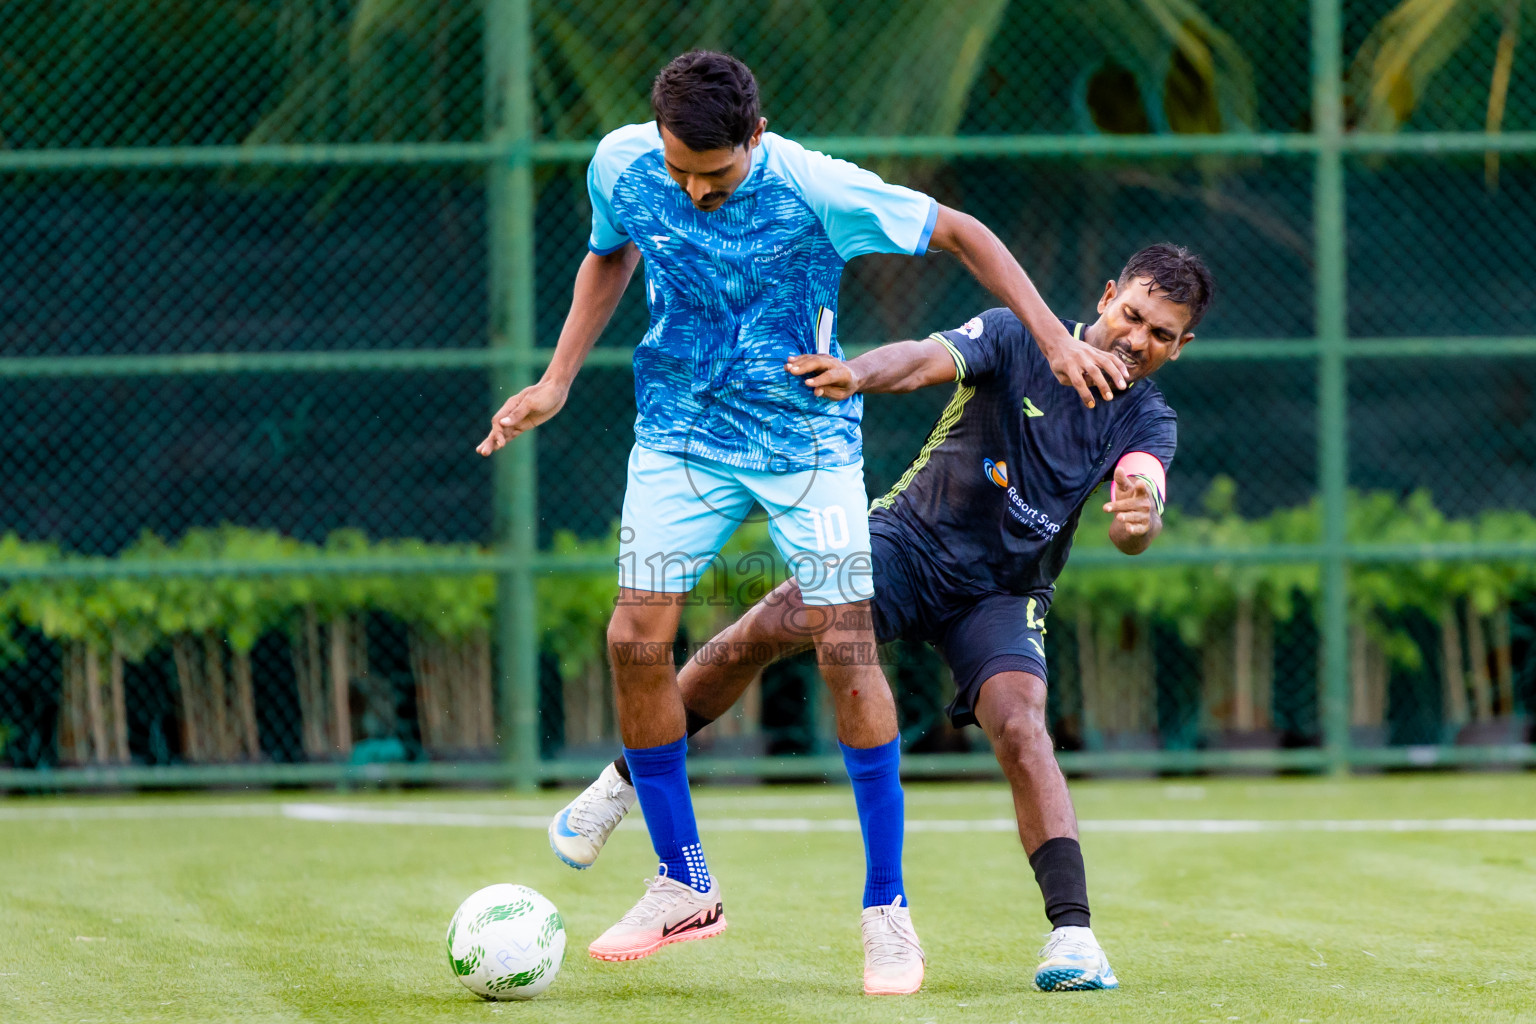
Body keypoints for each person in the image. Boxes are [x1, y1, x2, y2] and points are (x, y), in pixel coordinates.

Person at [480, 50, 1130, 996]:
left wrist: (1054, 337)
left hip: (808, 449)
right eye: (680, 170)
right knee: (633, 637)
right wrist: (556, 379)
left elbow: (965, 234)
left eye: (718, 172)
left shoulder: (817, 184)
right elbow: (610, 250)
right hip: (679, 440)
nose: (696, 191)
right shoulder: (621, 162)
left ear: (757, 135)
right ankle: (682, 881)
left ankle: (886, 910)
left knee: (844, 650)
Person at [549, 244, 1215, 993]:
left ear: (1181, 346)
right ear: (1106, 295)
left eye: (1160, 333)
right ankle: (619, 784)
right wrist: (856, 373)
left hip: (1001, 594)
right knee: (764, 626)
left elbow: (1138, 506)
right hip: (906, 544)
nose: (1136, 339)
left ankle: (1073, 938)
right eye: (1132, 315)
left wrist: (1136, 518)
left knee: (1023, 725)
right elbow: (922, 360)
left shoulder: (1149, 418)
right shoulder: (1015, 332)